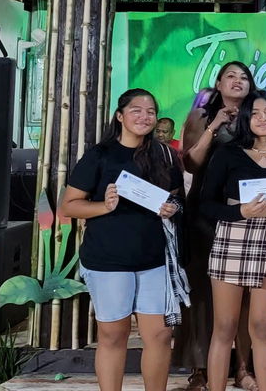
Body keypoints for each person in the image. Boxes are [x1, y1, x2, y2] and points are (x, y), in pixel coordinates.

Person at [61, 89, 183, 391]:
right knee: (114, 336)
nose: (145, 116)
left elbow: (178, 200)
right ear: (120, 116)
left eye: (151, 111)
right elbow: (69, 205)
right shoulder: (100, 155)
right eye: (137, 110)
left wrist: (172, 208)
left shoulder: (164, 155)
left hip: (154, 259)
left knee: (160, 336)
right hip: (109, 260)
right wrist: (105, 205)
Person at [199, 91, 266, 391]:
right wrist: (240, 211)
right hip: (232, 239)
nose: (263, 118)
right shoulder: (227, 154)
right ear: (246, 118)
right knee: (224, 328)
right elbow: (206, 204)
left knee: (262, 327)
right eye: (256, 112)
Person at [176, 61, 256, 391]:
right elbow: (191, 162)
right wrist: (216, 125)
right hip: (204, 214)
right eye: (231, 77)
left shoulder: (259, 114)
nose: (238, 82)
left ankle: (242, 367)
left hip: (248, 213)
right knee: (202, 293)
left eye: (244, 77)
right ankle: (199, 368)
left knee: (248, 295)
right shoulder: (201, 114)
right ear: (219, 83)